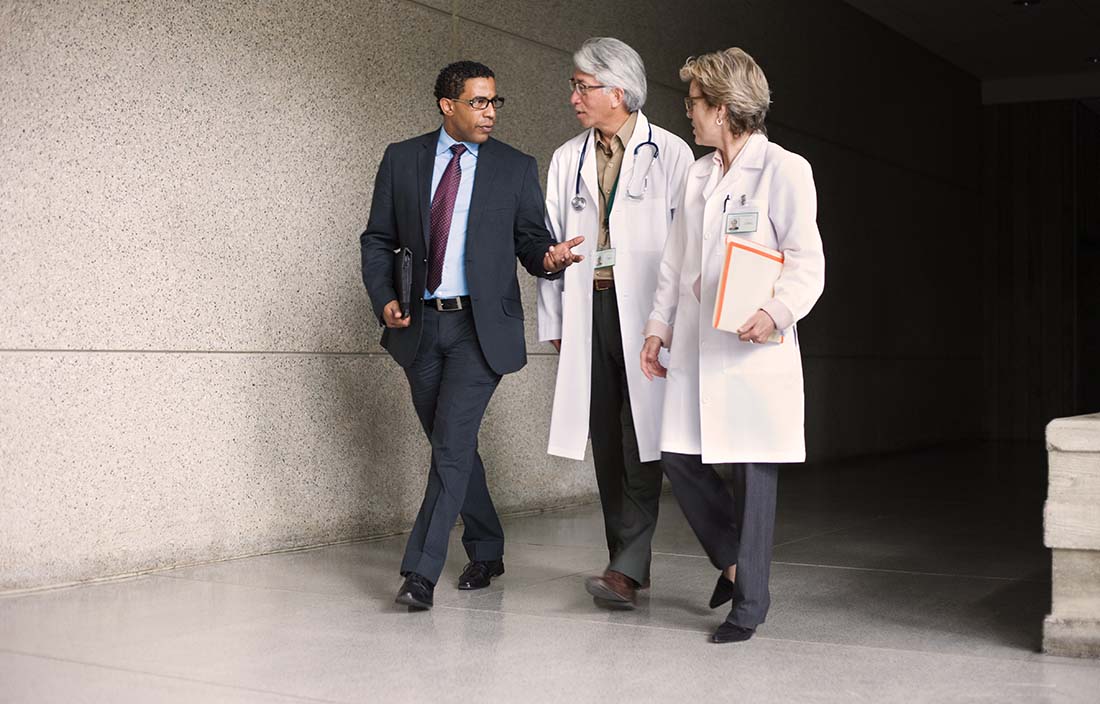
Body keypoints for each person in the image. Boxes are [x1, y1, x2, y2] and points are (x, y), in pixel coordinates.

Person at [361, 60, 584, 611]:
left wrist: (549, 258)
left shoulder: (513, 167)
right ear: (447, 105)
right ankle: (487, 545)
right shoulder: (403, 158)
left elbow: (532, 240)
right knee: (450, 446)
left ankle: (419, 573)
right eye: (478, 102)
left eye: (494, 102)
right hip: (419, 324)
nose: (489, 112)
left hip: (479, 330)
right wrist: (385, 297)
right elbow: (377, 238)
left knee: (453, 443)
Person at [640, 48, 825, 643]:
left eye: (693, 104)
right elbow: (675, 261)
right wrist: (658, 326)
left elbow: (808, 262)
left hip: (754, 348)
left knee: (754, 468)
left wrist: (776, 312)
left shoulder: (784, 169)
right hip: (698, 344)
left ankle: (750, 604)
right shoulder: (698, 174)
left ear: (722, 109)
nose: (688, 114)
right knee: (677, 456)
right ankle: (733, 561)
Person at [537, 38, 694, 609]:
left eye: (583, 85)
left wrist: (672, 321)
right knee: (604, 435)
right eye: (575, 85)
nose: (573, 95)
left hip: (649, 312)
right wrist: (554, 318)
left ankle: (625, 567)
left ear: (618, 92)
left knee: (642, 436)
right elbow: (550, 245)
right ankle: (625, 564)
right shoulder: (566, 158)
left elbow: (685, 247)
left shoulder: (672, 154)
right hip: (590, 308)